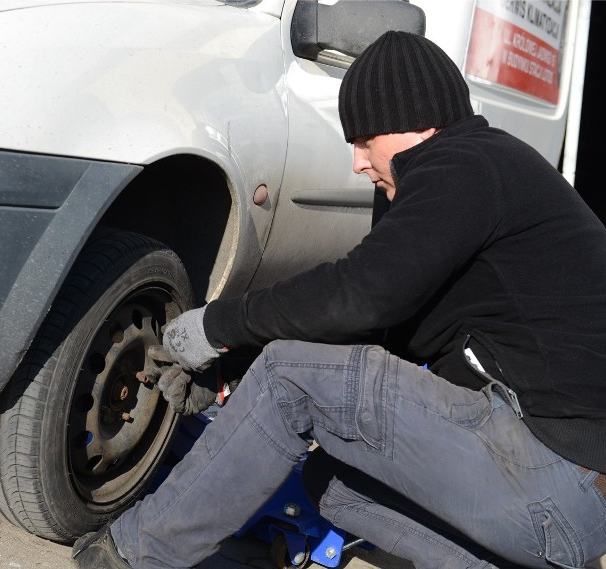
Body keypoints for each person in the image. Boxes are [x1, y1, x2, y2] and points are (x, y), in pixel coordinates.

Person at [71, 30, 606, 569]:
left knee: (289, 379)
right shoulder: (480, 171)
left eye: (364, 141)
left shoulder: (466, 167)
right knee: (332, 484)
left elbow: (359, 295)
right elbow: (377, 333)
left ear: (412, 125)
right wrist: (234, 367)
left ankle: (135, 556)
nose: (357, 162)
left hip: (554, 474)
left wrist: (217, 327)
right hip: (574, 509)